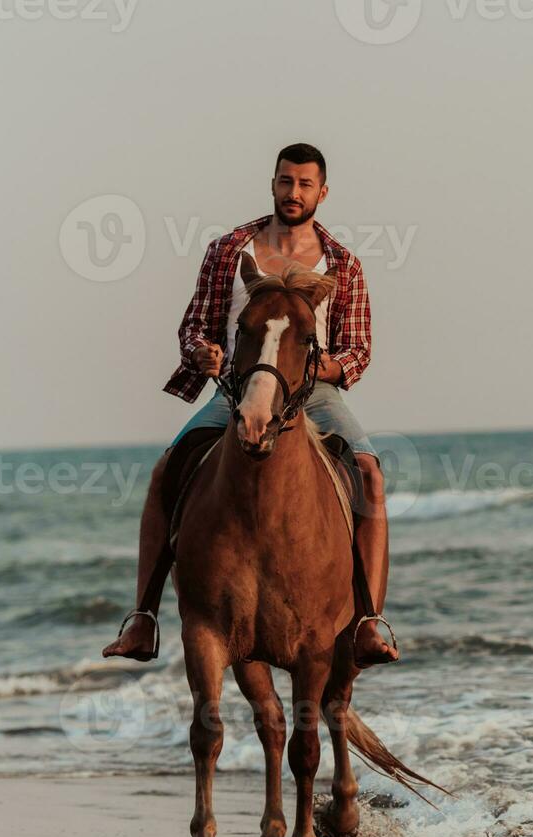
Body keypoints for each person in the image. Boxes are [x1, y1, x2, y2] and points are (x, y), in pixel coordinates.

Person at [102, 142, 398, 668]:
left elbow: (358, 351)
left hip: (314, 392)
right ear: (273, 184)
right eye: (286, 181)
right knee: (166, 469)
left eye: (305, 184)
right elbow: (195, 324)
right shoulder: (229, 250)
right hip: (238, 389)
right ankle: (143, 617)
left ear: (322, 193)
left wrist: (321, 367)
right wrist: (203, 352)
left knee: (370, 474)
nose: (294, 192)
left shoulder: (343, 266)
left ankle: (371, 620)